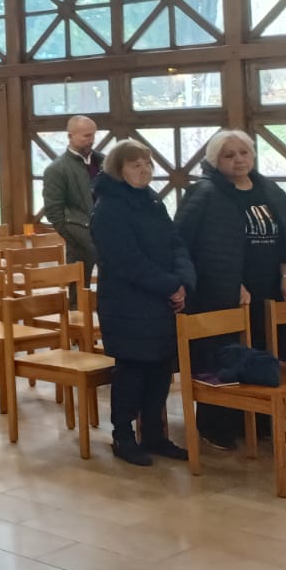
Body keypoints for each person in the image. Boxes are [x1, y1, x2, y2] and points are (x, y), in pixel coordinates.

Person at [176, 129, 286, 449]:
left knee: (269, 351)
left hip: (270, 289)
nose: (238, 160)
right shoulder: (204, 193)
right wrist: (230, 282)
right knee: (227, 355)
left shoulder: (268, 190)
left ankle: (263, 419)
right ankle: (218, 425)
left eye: (244, 153)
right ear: (215, 160)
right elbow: (188, 245)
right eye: (229, 155)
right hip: (223, 292)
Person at [89, 141, 195, 466]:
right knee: (132, 370)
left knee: (160, 369)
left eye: (148, 164)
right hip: (127, 304)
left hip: (160, 301)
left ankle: (154, 435)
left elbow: (175, 243)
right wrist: (169, 285)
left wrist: (182, 281)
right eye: (136, 165)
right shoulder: (108, 208)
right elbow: (126, 260)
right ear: (118, 169)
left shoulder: (151, 200)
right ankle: (123, 436)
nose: (144, 170)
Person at [44, 116, 103, 287]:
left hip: (107, 234)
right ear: (70, 136)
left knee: (112, 289)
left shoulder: (104, 162)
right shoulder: (57, 169)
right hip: (79, 240)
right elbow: (53, 210)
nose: (91, 140)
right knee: (78, 292)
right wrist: (72, 236)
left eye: (93, 135)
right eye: (86, 136)